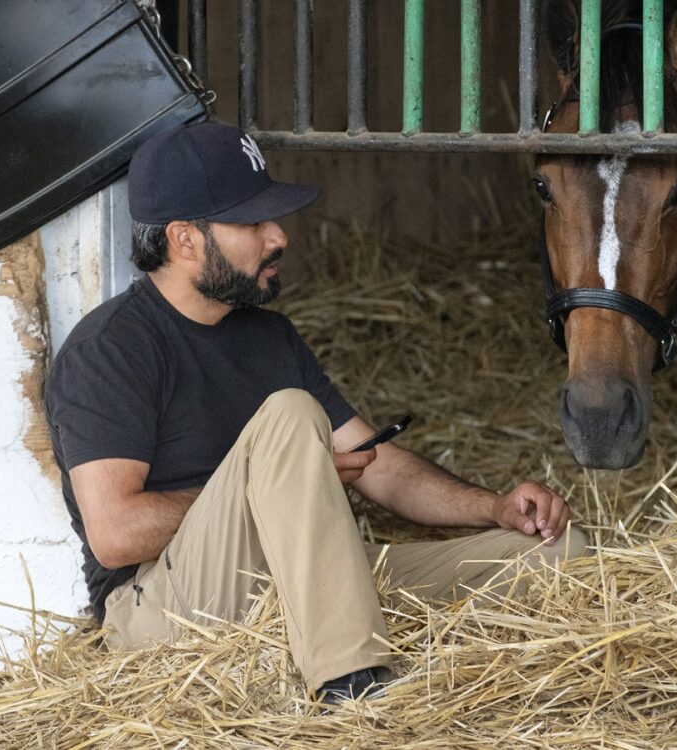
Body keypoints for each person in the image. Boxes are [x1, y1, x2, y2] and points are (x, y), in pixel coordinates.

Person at [45, 121, 590, 705]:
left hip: (296, 582)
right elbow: (115, 535)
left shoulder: (269, 338)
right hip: (165, 613)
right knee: (290, 415)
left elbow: (376, 466)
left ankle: (338, 639)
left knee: (559, 555)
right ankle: (351, 691)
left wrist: (494, 507)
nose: (278, 236)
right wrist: (284, 480)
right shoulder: (110, 348)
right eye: (253, 222)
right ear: (185, 239)